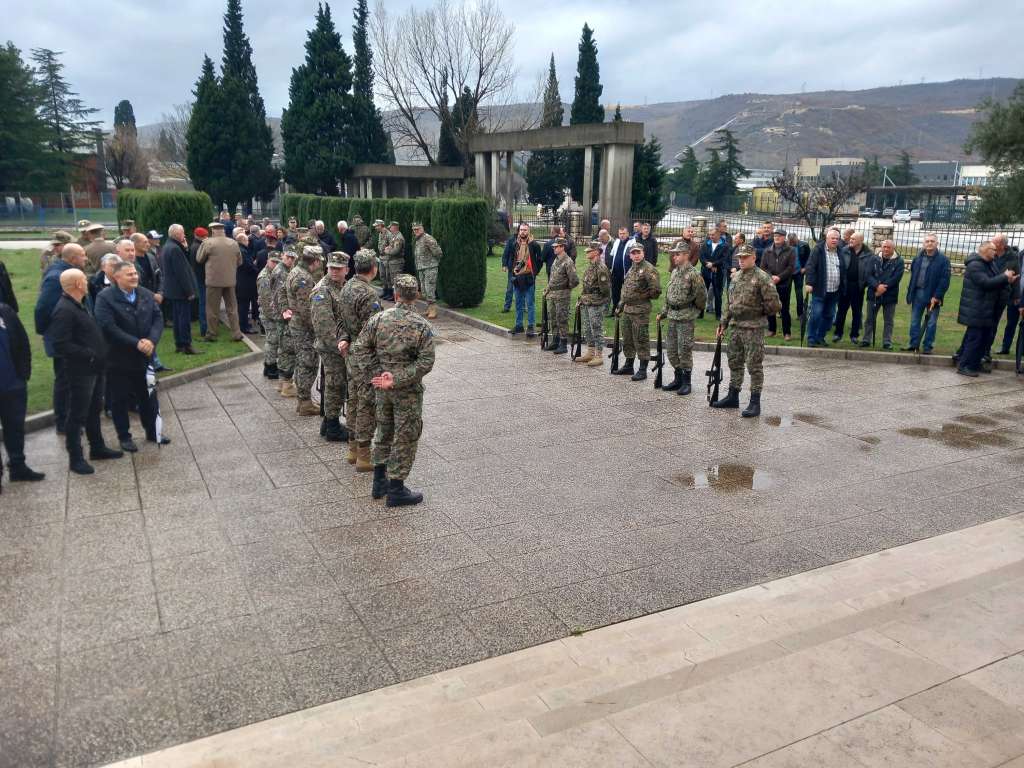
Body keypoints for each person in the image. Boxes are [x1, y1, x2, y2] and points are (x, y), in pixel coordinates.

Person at [355, 273, 435, 507]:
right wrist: (397, 378)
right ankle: (396, 488)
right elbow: (425, 362)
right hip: (407, 391)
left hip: (382, 387)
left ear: (396, 294)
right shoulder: (422, 325)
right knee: (406, 435)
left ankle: (379, 480)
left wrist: (376, 376)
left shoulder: (378, 319)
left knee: (384, 431)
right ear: (416, 295)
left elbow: (360, 348)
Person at [48, 269, 123, 474]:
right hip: (81, 371)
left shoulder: (77, 305)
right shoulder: (64, 310)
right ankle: (76, 457)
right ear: (78, 285)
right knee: (77, 414)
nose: (87, 282)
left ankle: (97, 447)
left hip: (94, 367)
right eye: (84, 279)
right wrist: (89, 354)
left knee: (93, 409)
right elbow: (61, 344)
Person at [93, 261, 168, 452]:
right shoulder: (105, 297)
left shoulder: (144, 293)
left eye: (135, 273)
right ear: (117, 277)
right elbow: (108, 326)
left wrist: (151, 340)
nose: (134, 277)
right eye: (129, 274)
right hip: (119, 358)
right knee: (120, 399)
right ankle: (124, 436)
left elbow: (158, 317)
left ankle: (152, 431)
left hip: (145, 357)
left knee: (148, 397)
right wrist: (136, 343)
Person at [711, 244, 781, 417]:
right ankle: (733, 396)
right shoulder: (735, 277)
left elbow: (774, 305)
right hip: (735, 326)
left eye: (745, 257)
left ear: (753, 258)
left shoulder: (763, 278)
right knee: (734, 362)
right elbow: (729, 303)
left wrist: (757, 312)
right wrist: (723, 323)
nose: (741, 260)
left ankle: (754, 402)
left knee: (754, 365)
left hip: (753, 328)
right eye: (740, 257)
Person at [35, 242, 89, 433]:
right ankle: (63, 422)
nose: (86, 258)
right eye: (83, 255)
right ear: (73, 258)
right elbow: (43, 308)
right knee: (64, 380)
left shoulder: (66, 271)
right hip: (63, 339)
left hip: (71, 336)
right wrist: (46, 332)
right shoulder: (57, 277)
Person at [338, 249, 383, 469]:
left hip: (352, 353)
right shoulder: (368, 294)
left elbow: (341, 320)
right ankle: (364, 455)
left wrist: (345, 337)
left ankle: (353, 448)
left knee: (354, 400)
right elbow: (375, 331)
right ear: (373, 268)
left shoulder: (346, 287)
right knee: (367, 403)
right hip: (366, 356)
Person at [0, 299, 45, 491]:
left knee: (15, 428)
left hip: (13, 384)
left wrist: (23, 374)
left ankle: (18, 466)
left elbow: (22, 341)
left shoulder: (5, 311)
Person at [956, 242, 1018, 377]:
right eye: (993, 250)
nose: (996, 252)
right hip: (976, 309)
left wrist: (1008, 280)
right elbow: (985, 283)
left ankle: (974, 364)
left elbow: (995, 280)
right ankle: (963, 365)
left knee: (983, 339)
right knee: (974, 339)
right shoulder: (975, 265)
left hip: (986, 309)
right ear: (985, 250)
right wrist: (1004, 277)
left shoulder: (989, 263)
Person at [658, 241, 706, 395]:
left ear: (686, 255)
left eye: (677, 254)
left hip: (685, 317)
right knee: (671, 349)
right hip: (672, 316)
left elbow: (701, 297)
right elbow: (669, 295)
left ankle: (686, 382)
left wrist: (693, 311)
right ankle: (677, 378)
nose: (674, 256)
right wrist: (664, 312)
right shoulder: (674, 272)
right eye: (674, 254)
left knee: (684, 350)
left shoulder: (694, 274)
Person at [614, 243, 662, 380]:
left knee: (641, 339)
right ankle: (629, 365)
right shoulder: (632, 269)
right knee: (628, 339)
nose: (636, 255)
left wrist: (642, 295)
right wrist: (621, 304)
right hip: (628, 309)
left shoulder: (649, 269)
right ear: (630, 255)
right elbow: (627, 289)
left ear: (643, 253)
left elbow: (656, 291)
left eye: (638, 252)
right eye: (633, 253)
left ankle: (642, 369)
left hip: (640, 310)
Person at [286, 245, 323, 415]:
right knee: (308, 363)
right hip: (303, 327)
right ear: (314, 261)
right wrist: (316, 329)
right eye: (319, 262)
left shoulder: (295, 271)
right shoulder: (304, 278)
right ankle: (305, 402)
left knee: (302, 362)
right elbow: (306, 308)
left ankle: (303, 401)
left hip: (297, 324)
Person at [196, 221, 244, 341]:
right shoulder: (233, 243)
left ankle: (212, 334)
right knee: (232, 308)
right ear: (223, 230)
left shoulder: (208, 243)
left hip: (214, 281)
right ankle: (236, 333)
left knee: (212, 309)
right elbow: (240, 262)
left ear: (212, 231)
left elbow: (199, 259)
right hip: (230, 281)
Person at [903, 233, 950, 354]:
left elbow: (944, 280)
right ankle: (913, 344)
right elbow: (913, 276)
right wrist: (910, 293)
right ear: (924, 243)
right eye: (927, 241)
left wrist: (937, 296)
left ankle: (927, 346)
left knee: (931, 322)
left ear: (937, 243)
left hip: (933, 297)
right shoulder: (917, 258)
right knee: (914, 321)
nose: (929, 243)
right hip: (917, 294)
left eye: (932, 241)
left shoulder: (943, 260)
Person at [160, 224, 198, 354]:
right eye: (182, 233)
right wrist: (190, 291)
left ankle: (179, 344)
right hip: (180, 290)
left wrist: (186, 248)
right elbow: (182, 272)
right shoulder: (175, 249)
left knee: (177, 318)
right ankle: (186, 345)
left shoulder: (168, 246)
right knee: (184, 319)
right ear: (176, 234)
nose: (184, 235)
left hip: (173, 290)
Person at [804, 228, 846, 347]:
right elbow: (810, 266)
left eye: (837, 238)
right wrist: (809, 283)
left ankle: (820, 337)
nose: (834, 240)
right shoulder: (818, 250)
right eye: (832, 238)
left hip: (834, 291)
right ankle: (811, 338)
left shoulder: (840, 251)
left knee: (829, 316)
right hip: (820, 289)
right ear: (827, 238)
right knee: (816, 314)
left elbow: (842, 269)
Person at [860, 240, 903, 349]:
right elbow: (868, 275)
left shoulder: (899, 261)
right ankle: (866, 340)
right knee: (869, 318)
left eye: (888, 247)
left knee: (888, 320)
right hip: (873, 293)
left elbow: (896, 278)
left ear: (893, 248)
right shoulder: (873, 258)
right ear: (881, 247)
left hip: (890, 294)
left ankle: (887, 342)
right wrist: (877, 286)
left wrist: (883, 288)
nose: (886, 249)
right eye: (884, 247)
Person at [575, 240, 611, 367]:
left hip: (596, 303)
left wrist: (601, 303)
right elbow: (586, 286)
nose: (587, 252)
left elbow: (605, 290)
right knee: (588, 328)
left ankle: (599, 355)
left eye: (589, 251)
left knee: (597, 328)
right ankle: (590, 352)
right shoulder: (590, 266)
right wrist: (581, 299)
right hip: (587, 302)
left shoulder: (601, 268)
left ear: (596, 252)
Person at [833, 232, 872, 343]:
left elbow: (869, 271)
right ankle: (838, 333)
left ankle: (854, 335)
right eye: (850, 238)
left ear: (860, 241)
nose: (850, 240)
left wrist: (864, 284)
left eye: (853, 239)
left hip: (858, 287)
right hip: (845, 285)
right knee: (841, 311)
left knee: (857, 312)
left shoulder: (868, 254)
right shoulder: (844, 250)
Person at [542, 237, 579, 355]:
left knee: (561, 318)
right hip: (552, 294)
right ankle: (555, 340)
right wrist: (548, 289)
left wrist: (566, 289)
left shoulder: (568, 262)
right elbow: (552, 277)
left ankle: (563, 343)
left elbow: (574, 280)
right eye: (554, 246)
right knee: (553, 318)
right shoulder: (556, 260)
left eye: (556, 247)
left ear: (562, 247)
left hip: (562, 295)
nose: (554, 248)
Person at [505, 223, 542, 337]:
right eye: (521, 230)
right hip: (517, 277)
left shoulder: (534, 245)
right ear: (519, 231)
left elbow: (539, 260)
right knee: (518, 303)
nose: (523, 232)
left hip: (529, 277)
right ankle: (519, 325)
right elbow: (510, 257)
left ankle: (531, 326)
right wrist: (511, 270)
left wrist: (534, 272)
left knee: (530, 303)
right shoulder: (514, 244)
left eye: (525, 230)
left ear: (529, 231)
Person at [760, 229, 796, 339]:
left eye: (779, 236)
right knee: (770, 306)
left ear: (784, 237)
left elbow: (791, 267)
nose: (777, 237)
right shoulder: (767, 251)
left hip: (784, 283)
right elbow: (763, 267)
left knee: (784, 308)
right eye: (775, 236)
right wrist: (771, 277)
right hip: (770, 283)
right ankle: (772, 330)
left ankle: (787, 332)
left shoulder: (791, 251)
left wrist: (779, 277)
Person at [992, 234, 1022, 355]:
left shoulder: (1013, 257)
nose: (992, 244)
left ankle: (1012, 349)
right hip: (998, 292)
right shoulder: (992, 254)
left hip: (1012, 293)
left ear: (1002, 244)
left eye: (995, 242)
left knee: (1012, 323)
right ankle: (997, 347)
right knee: (998, 322)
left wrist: (1016, 295)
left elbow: (1017, 277)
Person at [273, 250, 297, 395]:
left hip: (283, 314)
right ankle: (286, 385)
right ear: (282, 256)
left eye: (293, 258)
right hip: (283, 316)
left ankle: (282, 382)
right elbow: (279, 296)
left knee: (284, 348)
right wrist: (285, 313)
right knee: (287, 348)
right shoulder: (280, 272)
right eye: (288, 257)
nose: (290, 260)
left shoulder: (286, 270)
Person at [257, 251, 282, 379]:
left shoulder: (275, 274)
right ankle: (271, 368)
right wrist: (276, 317)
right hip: (269, 315)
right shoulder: (264, 277)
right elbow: (267, 302)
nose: (276, 264)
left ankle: (268, 365)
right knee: (272, 341)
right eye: (273, 261)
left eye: (278, 262)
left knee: (273, 340)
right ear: (268, 261)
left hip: (274, 313)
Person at [411, 221, 442, 320]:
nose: (416, 231)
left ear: (422, 228)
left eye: (418, 229)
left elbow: (438, 252)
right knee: (424, 290)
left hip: (430, 268)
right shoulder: (418, 240)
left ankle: (433, 310)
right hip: (421, 268)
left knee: (429, 289)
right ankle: (429, 308)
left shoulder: (428, 238)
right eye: (414, 229)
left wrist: (433, 263)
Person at [699, 225, 730, 319]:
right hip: (706, 272)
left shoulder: (725, 246)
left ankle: (718, 315)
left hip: (718, 272)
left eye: (713, 235)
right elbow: (701, 256)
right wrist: (707, 264)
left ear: (718, 234)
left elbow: (724, 259)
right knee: (703, 293)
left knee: (718, 294)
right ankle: (700, 314)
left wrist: (714, 264)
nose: (711, 236)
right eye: (710, 235)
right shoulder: (705, 244)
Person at [234, 231, 260, 334]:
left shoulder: (239, 249)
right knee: (244, 306)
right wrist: (257, 270)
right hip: (245, 282)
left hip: (241, 280)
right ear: (243, 240)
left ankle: (243, 324)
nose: (248, 242)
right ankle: (244, 326)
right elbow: (248, 266)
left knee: (242, 305)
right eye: (247, 240)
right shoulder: (243, 251)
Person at [604, 227, 633, 317]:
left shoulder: (632, 243)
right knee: (615, 292)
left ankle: (627, 311)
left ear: (628, 233)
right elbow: (612, 255)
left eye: (624, 233)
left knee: (628, 292)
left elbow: (632, 257)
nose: (622, 235)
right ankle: (615, 310)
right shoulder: (616, 242)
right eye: (620, 233)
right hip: (616, 272)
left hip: (627, 272)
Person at [189, 227, 209, 338]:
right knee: (204, 304)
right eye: (205, 236)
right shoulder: (198, 247)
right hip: (202, 279)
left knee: (203, 303)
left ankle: (205, 327)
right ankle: (204, 328)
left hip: (199, 278)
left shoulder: (194, 246)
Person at [788, 232, 810, 317]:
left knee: (799, 293)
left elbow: (809, 258)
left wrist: (805, 268)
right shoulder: (786, 245)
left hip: (799, 273)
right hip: (788, 273)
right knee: (786, 293)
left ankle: (800, 314)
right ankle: (784, 312)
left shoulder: (804, 245)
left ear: (797, 238)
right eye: (791, 242)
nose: (793, 244)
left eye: (794, 242)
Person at [383, 221, 406, 299]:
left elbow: (395, 251)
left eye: (391, 227)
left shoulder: (399, 237)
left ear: (395, 227)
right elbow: (390, 246)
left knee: (396, 280)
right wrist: (389, 248)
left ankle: (398, 297)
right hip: (392, 262)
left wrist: (387, 251)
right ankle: (392, 295)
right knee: (391, 280)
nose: (389, 228)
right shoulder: (394, 236)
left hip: (397, 262)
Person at [373, 220, 394, 300]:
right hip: (381, 257)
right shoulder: (380, 234)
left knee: (388, 276)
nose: (375, 228)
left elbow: (391, 246)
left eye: (377, 226)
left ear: (381, 225)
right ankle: (385, 291)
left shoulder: (388, 234)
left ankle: (390, 293)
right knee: (382, 275)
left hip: (387, 258)